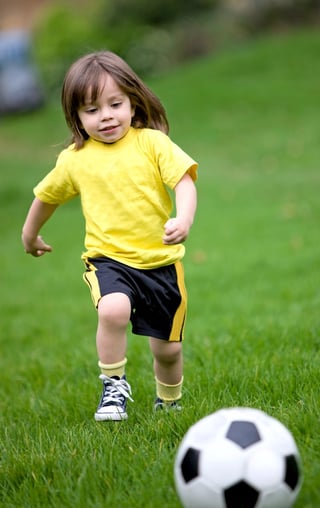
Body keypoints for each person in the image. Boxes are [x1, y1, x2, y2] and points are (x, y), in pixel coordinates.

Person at [22, 51, 198, 421]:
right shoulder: (75, 159)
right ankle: (113, 386)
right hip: (108, 259)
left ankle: (169, 402)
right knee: (113, 308)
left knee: (167, 351)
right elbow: (46, 197)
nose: (105, 116)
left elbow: (183, 180)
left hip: (160, 263)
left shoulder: (151, 143)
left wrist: (183, 218)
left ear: (133, 103)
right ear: (76, 117)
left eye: (114, 104)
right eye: (90, 110)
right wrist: (29, 235)